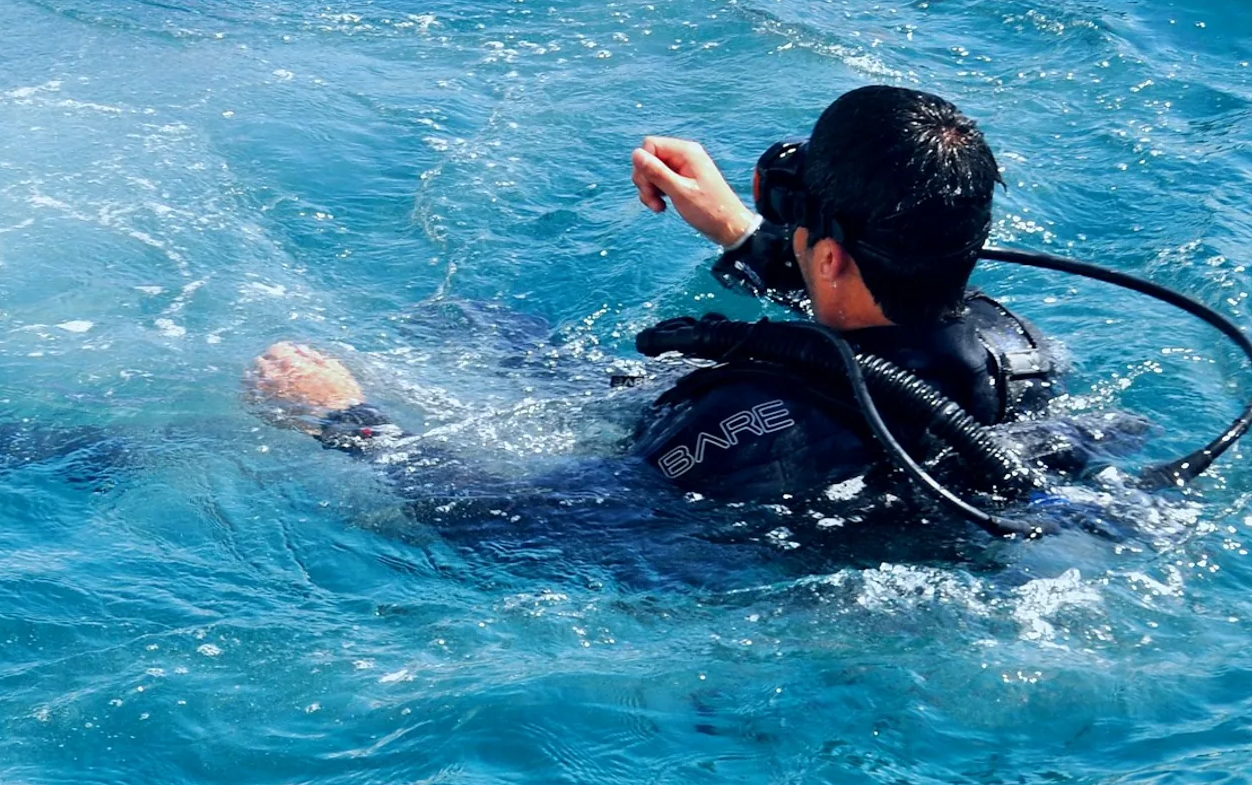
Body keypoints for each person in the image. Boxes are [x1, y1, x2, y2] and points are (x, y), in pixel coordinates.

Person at [249, 86, 1069, 509]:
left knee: (443, 348)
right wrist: (739, 231)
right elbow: (866, 302)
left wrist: (346, 421)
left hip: (750, 552)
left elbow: (524, 526)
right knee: (476, 328)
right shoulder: (1012, 347)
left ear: (827, 255)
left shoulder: (744, 425)